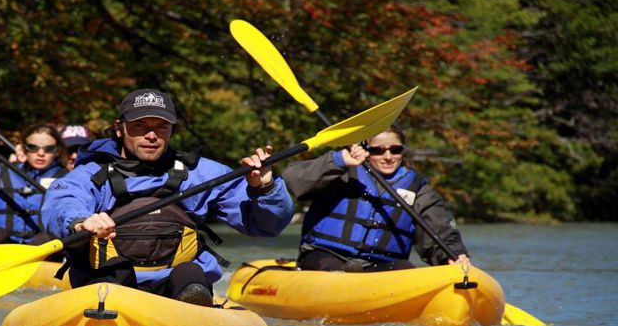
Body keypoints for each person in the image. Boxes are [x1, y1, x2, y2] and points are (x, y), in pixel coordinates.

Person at [42, 88, 294, 306]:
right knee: (109, 278)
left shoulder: (203, 174)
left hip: (179, 286)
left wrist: (264, 189)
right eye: (140, 125)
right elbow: (63, 201)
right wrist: (79, 221)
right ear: (120, 129)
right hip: (113, 283)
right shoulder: (90, 175)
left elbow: (267, 226)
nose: (151, 135)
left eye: (161, 126)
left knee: (190, 274)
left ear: (172, 130)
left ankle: (193, 308)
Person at [282, 125, 471, 272]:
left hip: (380, 265)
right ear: (366, 150)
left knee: (406, 270)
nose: (388, 156)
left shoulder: (418, 189)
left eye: (395, 150)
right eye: (378, 150)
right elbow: (293, 179)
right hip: (326, 256)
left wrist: (453, 255)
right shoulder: (342, 171)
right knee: (334, 272)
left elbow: (439, 229)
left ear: (402, 151)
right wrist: (338, 161)